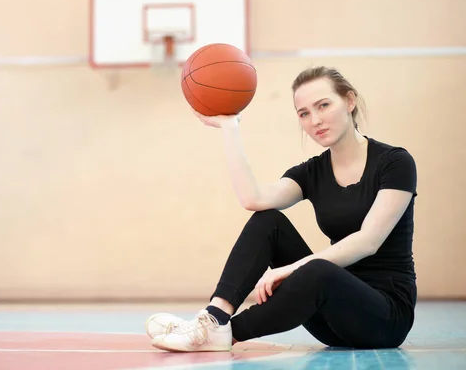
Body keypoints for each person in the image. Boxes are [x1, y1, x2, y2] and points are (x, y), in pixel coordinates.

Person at [145, 66, 418, 352]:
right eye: (304, 113)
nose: (315, 120)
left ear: (349, 101)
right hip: (331, 318)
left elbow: (368, 241)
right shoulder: (313, 172)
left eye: (323, 105)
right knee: (269, 221)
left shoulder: (395, 163)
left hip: (384, 318)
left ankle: (225, 334)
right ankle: (214, 319)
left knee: (317, 271)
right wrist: (230, 127)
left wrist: (290, 269)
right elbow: (254, 198)